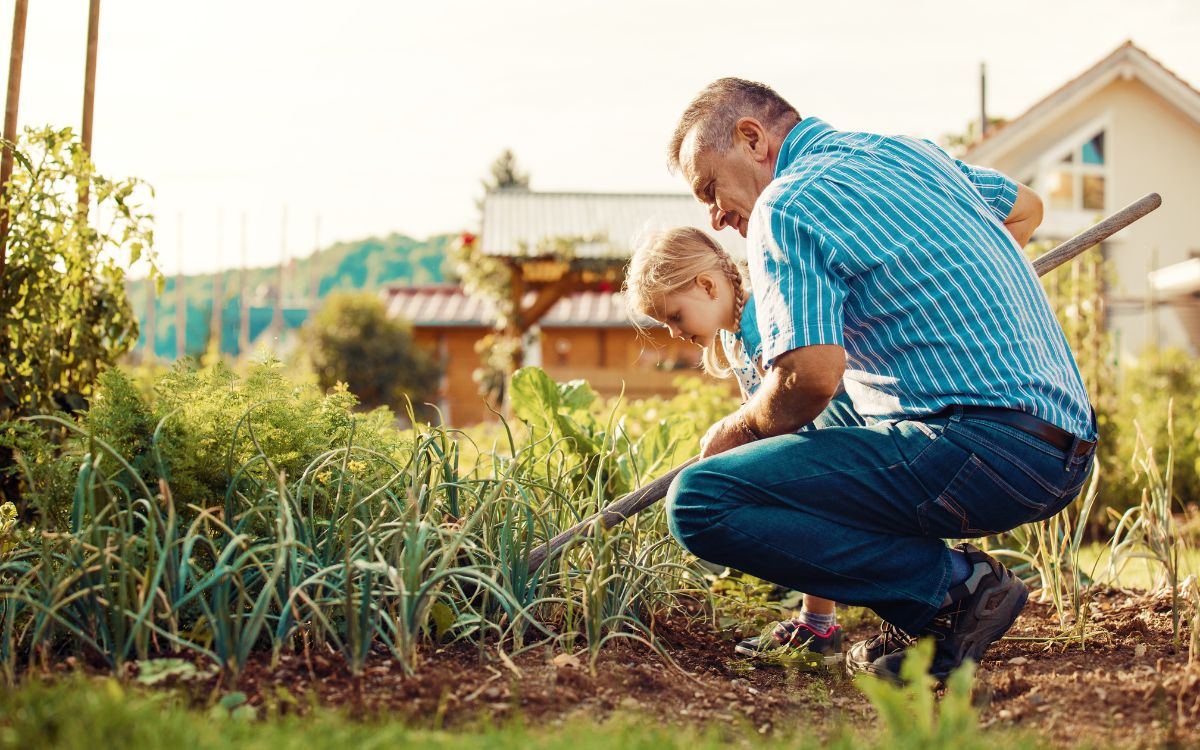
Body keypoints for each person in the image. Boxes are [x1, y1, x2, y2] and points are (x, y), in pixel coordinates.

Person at [661, 77, 1097, 681]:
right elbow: (1024, 206)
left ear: (752, 137)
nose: (713, 212)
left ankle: (954, 591)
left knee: (704, 499)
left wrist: (731, 434)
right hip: (1063, 446)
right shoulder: (914, 154)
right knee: (841, 431)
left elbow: (808, 379)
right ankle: (937, 615)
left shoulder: (787, 204)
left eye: (709, 187)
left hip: (980, 447)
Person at [624, 226, 844, 666]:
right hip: (801, 447)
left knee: (789, 515)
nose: (674, 332)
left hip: (825, 444)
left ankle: (825, 621)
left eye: (675, 317)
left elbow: (796, 401)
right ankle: (818, 625)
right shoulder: (733, 333)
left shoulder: (761, 321)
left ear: (706, 286)